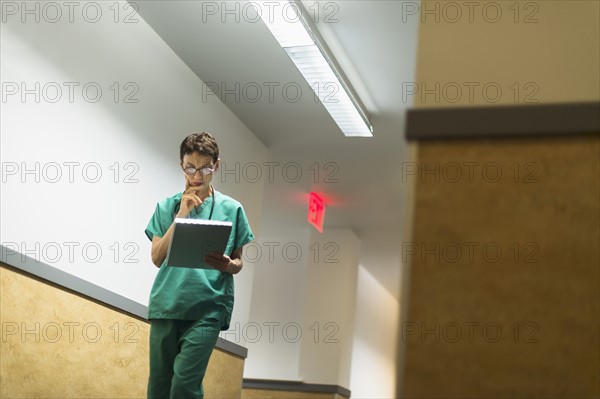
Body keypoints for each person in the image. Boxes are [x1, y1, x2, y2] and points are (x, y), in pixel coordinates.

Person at [144, 132, 254, 398]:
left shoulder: (233, 209)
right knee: (159, 388)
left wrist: (229, 264)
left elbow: (239, 262)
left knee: (184, 386)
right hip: (167, 306)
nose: (197, 175)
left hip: (207, 309)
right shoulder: (166, 206)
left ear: (216, 165)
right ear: (182, 165)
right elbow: (157, 257)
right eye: (190, 167)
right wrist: (182, 215)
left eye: (205, 167)